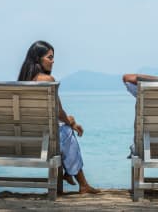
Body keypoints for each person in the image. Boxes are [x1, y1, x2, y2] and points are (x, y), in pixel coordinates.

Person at [18, 40, 100, 194]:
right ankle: (80, 182)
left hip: (26, 139)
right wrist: (73, 123)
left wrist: (69, 120)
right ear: (38, 59)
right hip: (45, 141)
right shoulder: (47, 81)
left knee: (65, 127)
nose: (53, 61)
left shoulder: (22, 82)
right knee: (67, 131)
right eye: (50, 57)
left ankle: (71, 175)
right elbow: (59, 111)